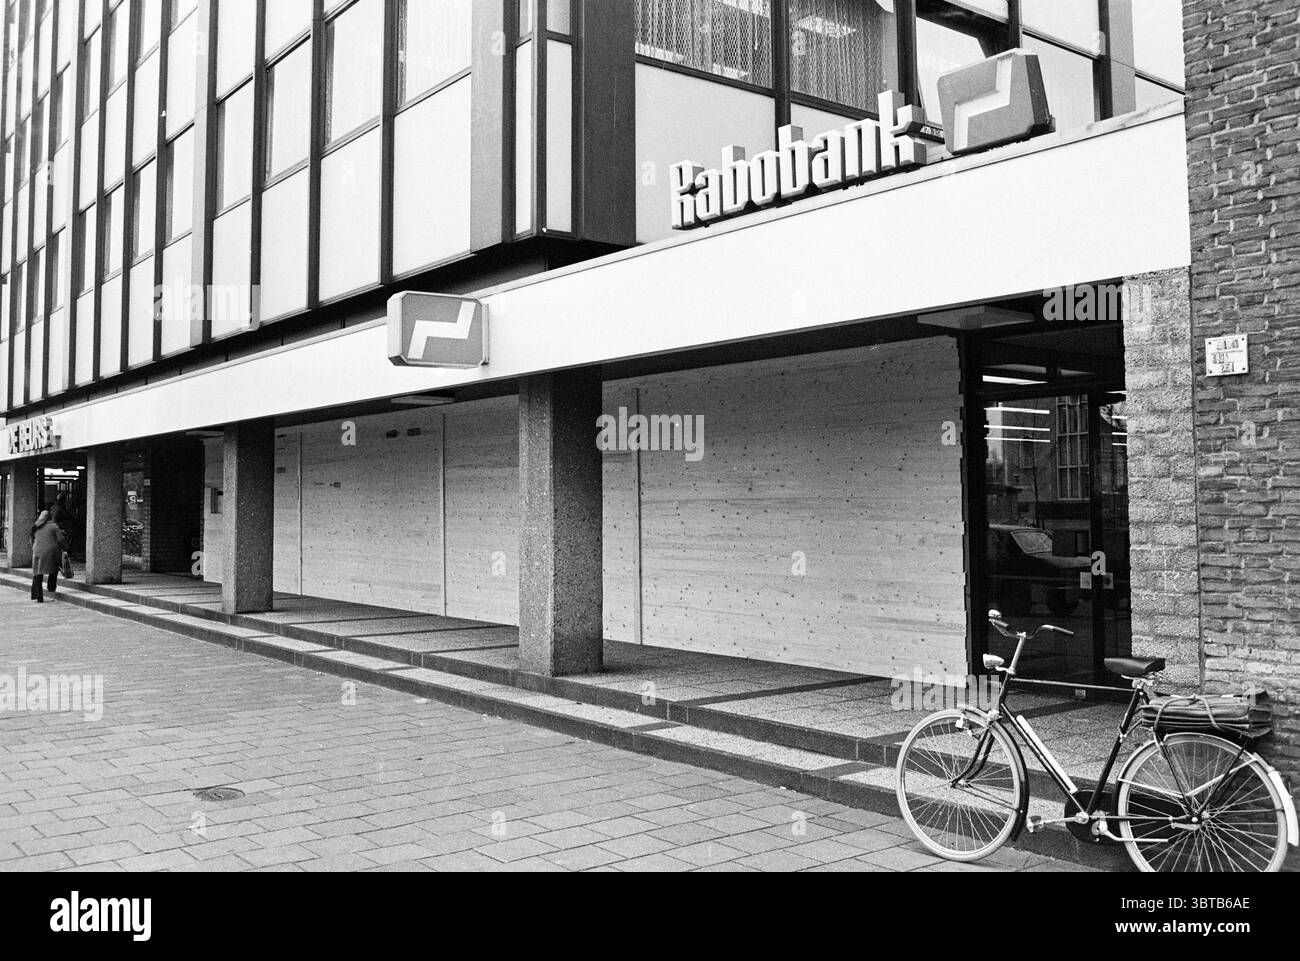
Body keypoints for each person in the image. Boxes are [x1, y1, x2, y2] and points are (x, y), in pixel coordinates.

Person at [30, 508, 69, 604]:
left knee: (38, 573)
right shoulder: (53, 526)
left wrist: (34, 548)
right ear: (49, 518)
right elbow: (60, 539)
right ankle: (51, 588)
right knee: (54, 568)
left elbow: (31, 539)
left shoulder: (35, 526)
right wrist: (66, 548)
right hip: (51, 552)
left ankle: (39, 597)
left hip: (37, 551)